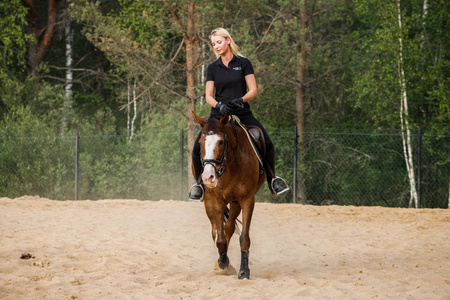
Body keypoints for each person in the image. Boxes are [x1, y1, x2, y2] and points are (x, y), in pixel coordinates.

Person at [189, 27, 289, 201]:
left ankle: (273, 180)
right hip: (218, 115)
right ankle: (199, 185)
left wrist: (240, 100)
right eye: (213, 44)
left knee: (267, 142)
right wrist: (219, 105)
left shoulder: (243, 63)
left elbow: (253, 90)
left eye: (219, 42)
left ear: (228, 40)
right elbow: (208, 96)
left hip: (242, 112)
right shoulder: (213, 67)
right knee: (197, 148)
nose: (216, 46)